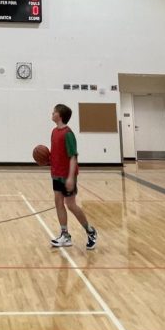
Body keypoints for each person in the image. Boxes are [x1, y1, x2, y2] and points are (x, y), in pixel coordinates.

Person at [49, 103, 97, 249]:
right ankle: (65, 235)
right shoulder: (53, 131)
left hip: (67, 175)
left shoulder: (68, 134)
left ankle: (90, 231)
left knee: (70, 204)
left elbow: (73, 157)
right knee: (58, 203)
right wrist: (47, 160)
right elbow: (56, 153)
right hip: (56, 173)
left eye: (54, 112)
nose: (52, 113)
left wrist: (70, 177)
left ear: (60, 116)